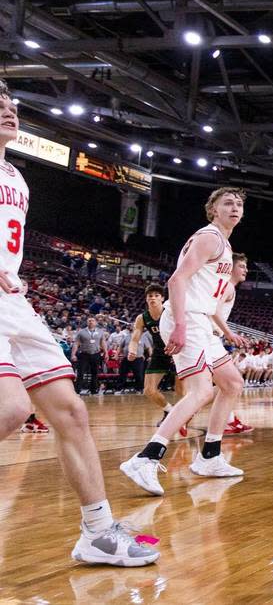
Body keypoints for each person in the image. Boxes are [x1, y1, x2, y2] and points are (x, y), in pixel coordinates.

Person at [0, 84, 158, 565]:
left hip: (13, 301)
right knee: (9, 408)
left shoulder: (16, 178)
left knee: (70, 411)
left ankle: (97, 530)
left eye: (13, 105)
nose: (10, 111)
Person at [120, 187, 250, 495]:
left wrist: (222, 330)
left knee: (232, 383)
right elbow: (176, 280)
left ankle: (210, 456)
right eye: (227, 203)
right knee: (201, 390)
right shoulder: (209, 238)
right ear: (213, 210)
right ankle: (146, 457)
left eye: (239, 204)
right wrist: (179, 325)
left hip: (200, 322)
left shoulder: (225, 244)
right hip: (187, 319)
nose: (234, 207)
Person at [130, 285, 184, 434]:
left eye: (156, 295)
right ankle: (169, 411)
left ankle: (184, 416)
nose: (153, 298)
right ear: (146, 299)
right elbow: (135, 339)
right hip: (159, 353)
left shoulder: (171, 313)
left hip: (177, 351)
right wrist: (132, 350)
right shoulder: (142, 318)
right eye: (150, 296)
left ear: (162, 298)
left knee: (180, 390)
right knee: (148, 390)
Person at [214, 254, 253, 436]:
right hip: (207, 338)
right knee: (231, 384)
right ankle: (181, 417)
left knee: (227, 385)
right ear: (231, 268)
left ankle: (229, 420)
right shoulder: (227, 286)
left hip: (212, 338)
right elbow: (212, 310)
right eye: (242, 266)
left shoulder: (227, 286)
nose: (246, 270)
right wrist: (229, 333)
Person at [73, 316, 106, 395]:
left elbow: (103, 342)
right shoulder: (81, 332)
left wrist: (106, 352)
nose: (91, 322)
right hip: (84, 354)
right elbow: (76, 343)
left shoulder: (100, 331)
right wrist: (73, 354)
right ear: (87, 322)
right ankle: (77, 391)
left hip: (96, 354)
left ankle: (94, 390)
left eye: (92, 321)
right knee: (81, 373)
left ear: (95, 322)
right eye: (89, 321)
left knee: (95, 373)